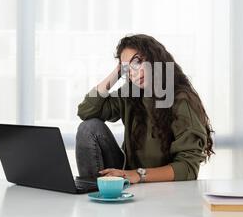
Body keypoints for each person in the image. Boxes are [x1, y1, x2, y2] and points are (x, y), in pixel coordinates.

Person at [76, 34, 214, 184]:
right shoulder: (132, 92)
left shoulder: (181, 99)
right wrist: (117, 73)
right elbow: (86, 111)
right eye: (127, 69)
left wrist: (138, 175)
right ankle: (93, 189)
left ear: (155, 59)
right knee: (88, 128)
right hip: (128, 175)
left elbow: (188, 168)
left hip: (163, 185)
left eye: (138, 61)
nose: (133, 72)